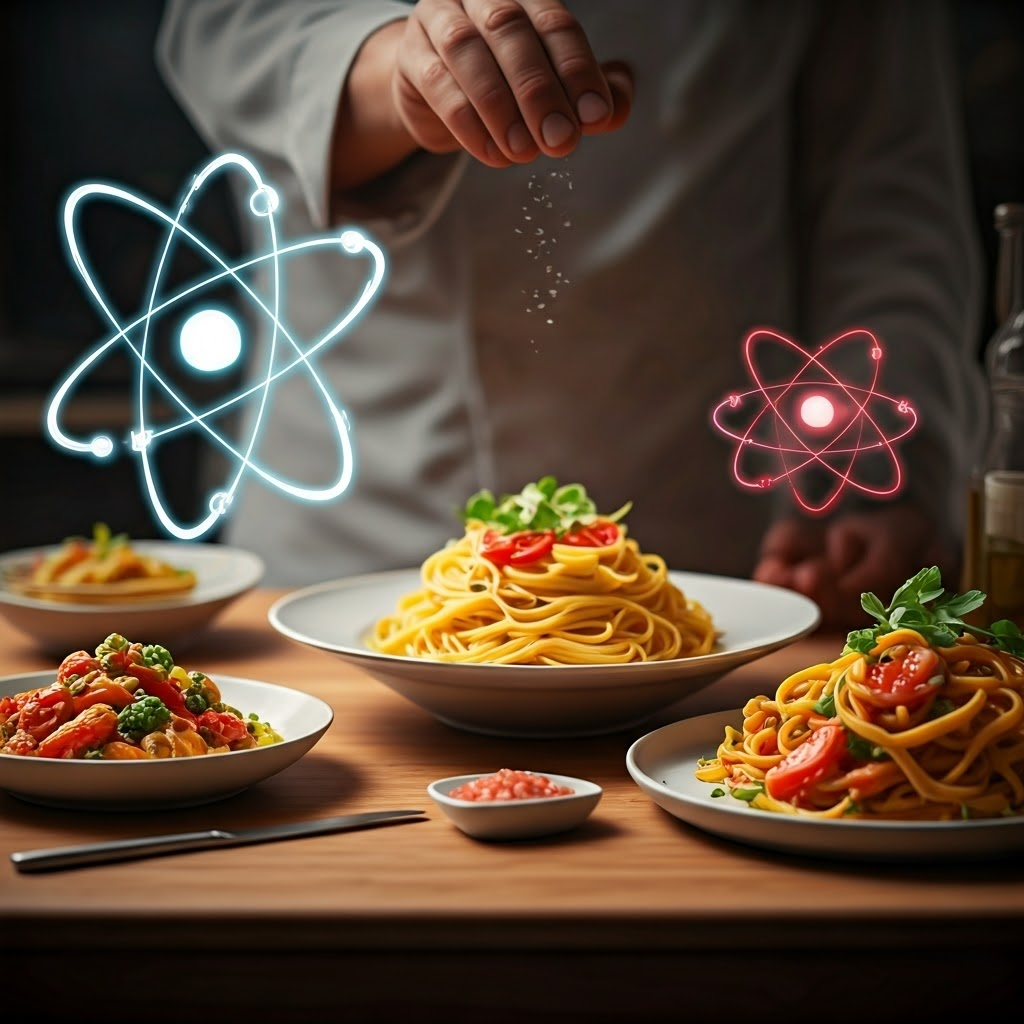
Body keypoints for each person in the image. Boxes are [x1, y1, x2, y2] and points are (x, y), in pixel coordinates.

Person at [155, 0, 986, 628]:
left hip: (717, 553)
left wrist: (884, 468)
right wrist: (391, 68)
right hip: (347, 540)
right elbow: (222, 28)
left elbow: (886, 201)